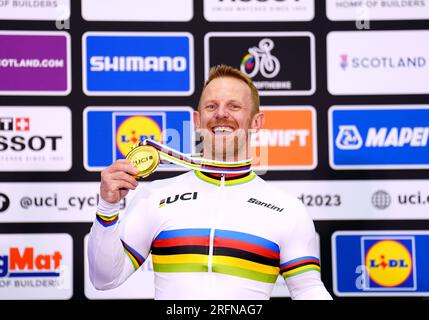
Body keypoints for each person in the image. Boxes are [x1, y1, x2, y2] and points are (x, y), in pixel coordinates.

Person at [88, 64, 332, 300]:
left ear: (256, 122)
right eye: (211, 106)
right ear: (197, 120)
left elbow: (308, 291)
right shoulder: (154, 196)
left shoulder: (288, 210)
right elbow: (105, 278)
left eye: (234, 106)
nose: (221, 114)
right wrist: (107, 207)